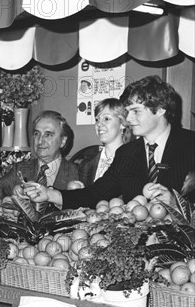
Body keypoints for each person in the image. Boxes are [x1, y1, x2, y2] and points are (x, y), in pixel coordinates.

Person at [26, 75, 195, 208]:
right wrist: (49, 194)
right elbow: (95, 194)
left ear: (159, 109)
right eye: (127, 112)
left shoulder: (191, 145)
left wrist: (177, 205)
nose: (128, 119)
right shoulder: (126, 153)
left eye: (136, 111)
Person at [0, 110, 79, 198]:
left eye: (48, 135)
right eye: (37, 134)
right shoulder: (20, 169)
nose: (40, 140)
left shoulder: (77, 172)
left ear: (63, 141)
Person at [71, 98, 134, 186]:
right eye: (97, 119)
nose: (99, 124)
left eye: (106, 118)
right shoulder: (86, 164)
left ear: (122, 124)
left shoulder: (134, 161)